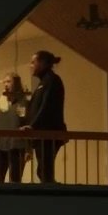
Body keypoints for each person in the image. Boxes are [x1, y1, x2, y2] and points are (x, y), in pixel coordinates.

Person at [25, 50, 68, 183]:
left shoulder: (52, 80)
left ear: (42, 63)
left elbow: (46, 106)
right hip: (41, 134)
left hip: (49, 133)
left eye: (33, 62)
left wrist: (33, 126)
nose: (30, 65)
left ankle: (53, 192)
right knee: (43, 170)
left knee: (44, 171)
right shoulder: (43, 82)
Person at [0, 73, 31, 183]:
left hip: (17, 146)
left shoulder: (23, 102)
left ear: (16, 83)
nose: (6, 84)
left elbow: (27, 123)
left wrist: (28, 149)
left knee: (15, 180)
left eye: (9, 81)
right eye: (4, 82)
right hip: (0, 147)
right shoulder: (0, 102)